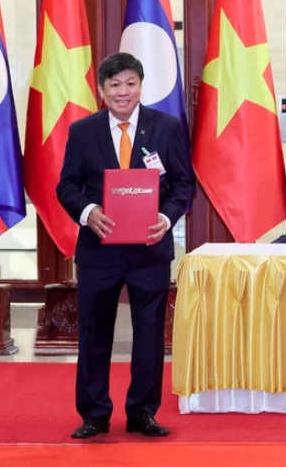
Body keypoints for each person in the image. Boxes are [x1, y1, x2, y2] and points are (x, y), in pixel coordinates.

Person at [56, 52, 193, 439]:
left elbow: (183, 183)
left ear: (140, 86)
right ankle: (95, 414)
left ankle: (142, 413)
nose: (123, 92)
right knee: (94, 333)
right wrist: (88, 210)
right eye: (114, 85)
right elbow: (66, 186)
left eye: (130, 83)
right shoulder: (83, 131)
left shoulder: (165, 127)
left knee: (149, 334)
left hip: (149, 250)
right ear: (101, 90)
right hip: (100, 251)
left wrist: (166, 220)